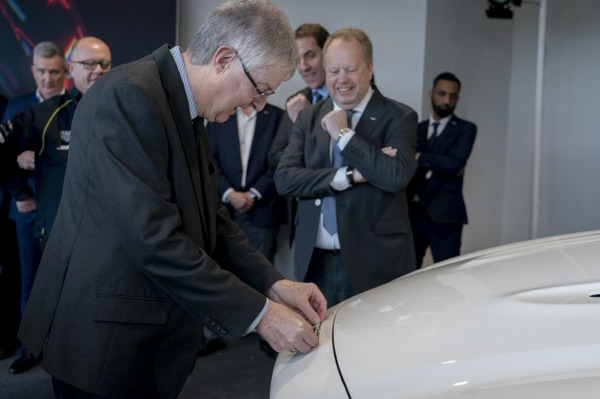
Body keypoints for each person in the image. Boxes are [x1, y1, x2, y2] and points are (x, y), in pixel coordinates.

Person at [18, 1, 326, 397]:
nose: (258, 106)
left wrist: (275, 284)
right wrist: (262, 316)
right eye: (260, 90)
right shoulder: (128, 98)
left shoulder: (183, 103)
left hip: (145, 334)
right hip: (103, 343)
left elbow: (210, 216)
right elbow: (155, 240)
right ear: (224, 59)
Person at [274, 28, 418, 307]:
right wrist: (350, 175)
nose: (342, 80)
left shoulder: (399, 116)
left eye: (351, 70)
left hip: (374, 260)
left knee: (374, 342)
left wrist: (344, 136)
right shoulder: (308, 116)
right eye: (334, 71)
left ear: (370, 68)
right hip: (315, 261)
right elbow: (285, 179)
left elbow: (394, 176)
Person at [0, 41, 67, 374]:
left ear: (65, 71)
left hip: (64, 214)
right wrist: (15, 159)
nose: (48, 78)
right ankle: (31, 346)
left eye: (54, 71)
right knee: (29, 281)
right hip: (25, 210)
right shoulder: (16, 106)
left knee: (66, 283)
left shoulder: (75, 106)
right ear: (33, 72)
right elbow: (1, 157)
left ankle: (62, 347)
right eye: (42, 71)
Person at [268, 23, 330, 248]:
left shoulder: (347, 97)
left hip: (346, 222)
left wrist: (303, 123)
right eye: (298, 59)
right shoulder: (294, 101)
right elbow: (275, 157)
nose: (303, 67)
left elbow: (336, 159)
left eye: (310, 55)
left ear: (327, 53)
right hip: (304, 219)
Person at [406, 72, 477, 267]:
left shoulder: (466, 128)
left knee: (447, 273)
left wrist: (419, 157)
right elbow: (405, 163)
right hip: (412, 211)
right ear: (431, 94)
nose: (446, 100)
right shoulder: (415, 129)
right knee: (407, 274)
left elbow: (455, 163)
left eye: (452, 96)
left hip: (446, 214)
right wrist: (441, 163)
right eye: (442, 93)